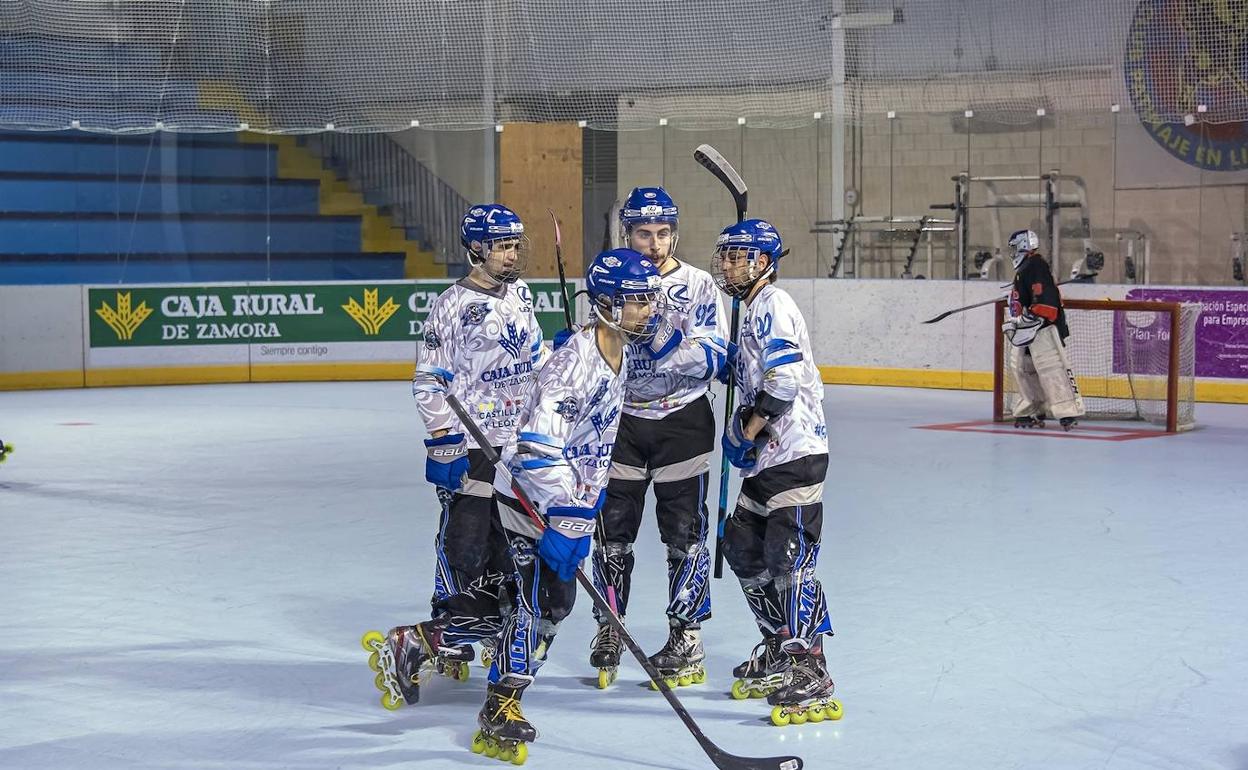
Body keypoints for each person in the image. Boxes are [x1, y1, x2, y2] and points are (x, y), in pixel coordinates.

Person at [377, 249, 663, 762]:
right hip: (532, 499)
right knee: (541, 605)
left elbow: (590, 441)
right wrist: (566, 513)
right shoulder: (578, 366)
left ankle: (419, 640)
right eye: (636, 300)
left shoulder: (614, 352)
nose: (648, 309)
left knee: (528, 604)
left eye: (648, 299)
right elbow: (534, 448)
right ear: (605, 305)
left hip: (564, 502)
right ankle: (500, 704)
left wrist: (583, 506)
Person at [361, 203, 548, 706]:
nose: (512, 254)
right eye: (502, 246)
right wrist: (443, 440)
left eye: (515, 244)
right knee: (466, 547)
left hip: (519, 445)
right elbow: (428, 380)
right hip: (475, 446)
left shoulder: (522, 295)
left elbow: (532, 360)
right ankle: (438, 633)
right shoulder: (451, 305)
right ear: (476, 250)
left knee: (511, 549)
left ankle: (472, 630)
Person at [586, 187, 728, 689]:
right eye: (643, 233)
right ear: (627, 233)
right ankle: (609, 627)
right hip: (621, 422)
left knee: (685, 536)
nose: (654, 243)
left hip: (682, 421)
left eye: (662, 233)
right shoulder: (614, 278)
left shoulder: (699, 285)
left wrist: (667, 346)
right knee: (611, 535)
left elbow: (717, 358)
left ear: (675, 232)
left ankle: (685, 635)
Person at [712, 218, 842, 727]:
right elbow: (754, 372)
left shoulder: (774, 304)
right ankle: (779, 647)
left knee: (788, 559)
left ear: (764, 261)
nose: (727, 263)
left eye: (738, 255)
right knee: (741, 545)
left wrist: (746, 429)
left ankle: (811, 665)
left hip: (797, 452)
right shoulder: (746, 309)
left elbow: (784, 380)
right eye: (725, 255)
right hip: (771, 458)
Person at [1001, 229, 1086, 431]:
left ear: (1023, 245)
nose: (1012, 251)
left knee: (1051, 369)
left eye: (1014, 247)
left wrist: (1035, 314)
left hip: (1043, 328)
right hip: (1025, 326)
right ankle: (1031, 408)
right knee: (1022, 368)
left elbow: (1045, 297)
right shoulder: (1024, 269)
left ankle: (1067, 412)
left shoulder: (1036, 265)